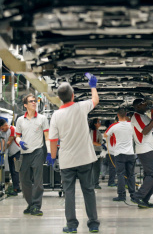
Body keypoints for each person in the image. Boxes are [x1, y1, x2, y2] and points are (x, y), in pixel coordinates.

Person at [49, 73, 101, 233]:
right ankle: (93, 224)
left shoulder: (56, 115)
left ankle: (71, 225)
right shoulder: (81, 107)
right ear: (73, 95)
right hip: (85, 159)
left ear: (59, 98)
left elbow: (53, 140)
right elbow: (95, 100)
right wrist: (93, 86)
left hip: (67, 161)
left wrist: (52, 158)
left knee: (69, 193)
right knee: (88, 190)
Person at [15, 94, 49, 216]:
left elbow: (47, 137)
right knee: (24, 181)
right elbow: (17, 136)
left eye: (35, 101)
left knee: (38, 181)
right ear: (25, 105)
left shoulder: (42, 119)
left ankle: (36, 205)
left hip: (38, 152)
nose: (34, 103)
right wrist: (20, 142)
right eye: (31, 101)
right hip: (24, 153)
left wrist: (49, 152)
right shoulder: (20, 120)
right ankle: (30, 204)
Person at [130, 98, 153, 208]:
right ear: (137, 107)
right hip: (144, 149)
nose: (146, 105)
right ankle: (137, 196)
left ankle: (144, 200)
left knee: (149, 175)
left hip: (148, 148)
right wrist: (152, 119)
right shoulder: (136, 117)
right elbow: (145, 131)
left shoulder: (143, 116)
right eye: (143, 104)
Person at [105, 107, 136, 202]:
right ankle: (133, 195)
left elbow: (105, 135)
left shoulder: (114, 126)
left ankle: (122, 195)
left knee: (120, 175)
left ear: (117, 116)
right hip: (130, 153)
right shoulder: (131, 125)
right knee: (131, 175)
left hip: (119, 154)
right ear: (126, 115)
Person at [0, 118, 21, 196]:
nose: (2, 130)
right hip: (10, 153)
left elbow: (9, 142)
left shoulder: (13, 129)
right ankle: (16, 187)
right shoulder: (4, 131)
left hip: (16, 152)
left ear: (6, 125)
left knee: (15, 171)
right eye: (0, 129)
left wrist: (3, 150)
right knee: (12, 170)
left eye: (2, 128)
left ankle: (16, 189)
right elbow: (3, 141)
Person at [89, 118, 104, 189]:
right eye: (99, 122)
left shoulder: (96, 131)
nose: (100, 123)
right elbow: (93, 142)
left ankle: (93, 183)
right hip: (95, 151)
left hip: (93, 151)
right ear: (95, 123)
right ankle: (95, 184)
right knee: (96, 169)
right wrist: (101, 145)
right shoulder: (94, 131)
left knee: (93, 169)